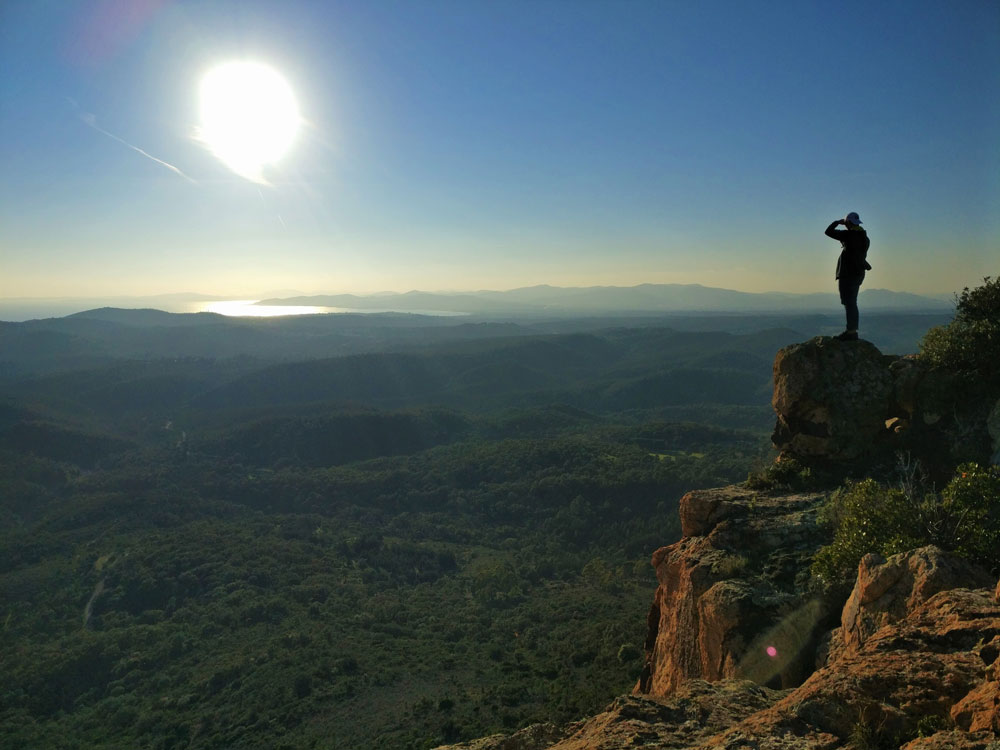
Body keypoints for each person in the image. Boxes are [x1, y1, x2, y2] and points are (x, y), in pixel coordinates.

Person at [825, 211, 870, 341]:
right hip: (858, 273)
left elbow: (828, 232)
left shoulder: (849, 235)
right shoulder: (864, 238)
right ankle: (852, 330)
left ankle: (851, 332)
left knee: (849, 303)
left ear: (848, 223)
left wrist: (837, 222)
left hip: (848, 274)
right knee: (852, 302)